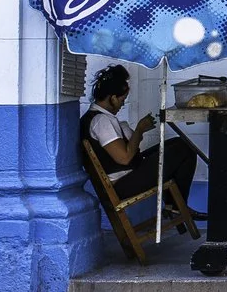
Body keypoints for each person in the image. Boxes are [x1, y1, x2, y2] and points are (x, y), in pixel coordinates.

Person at [83, 65, 201, 216]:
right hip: (123, 184)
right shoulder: (101, 121)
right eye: (122, 100)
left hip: (129, 175)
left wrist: (138, 131)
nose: (122, 104)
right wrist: (139, 129)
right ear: (112, 98)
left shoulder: (97, 118)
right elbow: (124, 158)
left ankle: (174, 205)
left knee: (179, 143)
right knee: (184, 150)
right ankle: (176, 206)